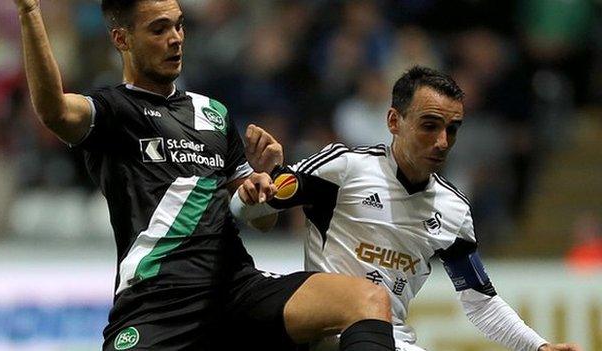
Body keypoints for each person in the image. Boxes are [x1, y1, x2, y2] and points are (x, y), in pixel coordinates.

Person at [12, 0, 399, 350]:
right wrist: (30, 11)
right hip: (158, 302)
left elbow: (262, 221)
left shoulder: (213, 113)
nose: (176, 39)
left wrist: (263, 184)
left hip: (236, 288)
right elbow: (54, 111)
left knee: (368, 300)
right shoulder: (114, 110)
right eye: (159, 29)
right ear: (121, 39)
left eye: (179, 26)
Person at [231, 66, 582, 351]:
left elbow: (481, 302)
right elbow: (255, 212)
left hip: (391, 340)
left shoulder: (453, 210)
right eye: (430, 126)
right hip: (328, 333)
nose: (442, 142)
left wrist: (538, 346)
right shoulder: (344, 168)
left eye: (452, 130)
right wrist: (250, 193)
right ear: (394, 122)